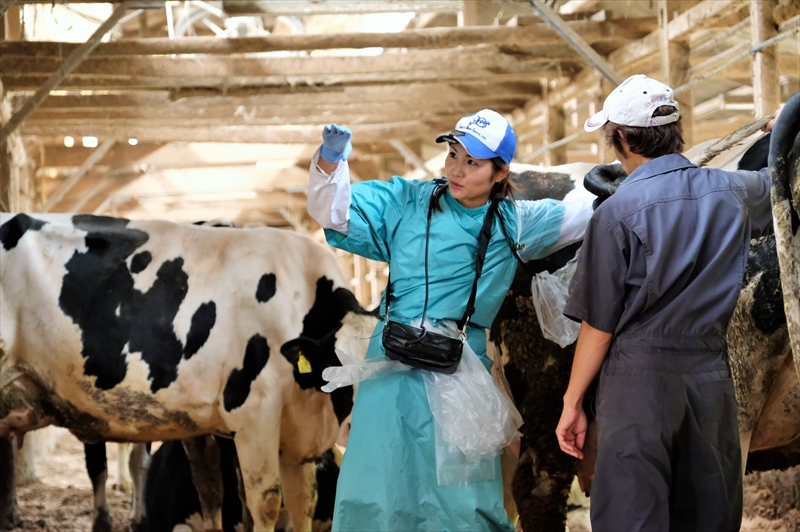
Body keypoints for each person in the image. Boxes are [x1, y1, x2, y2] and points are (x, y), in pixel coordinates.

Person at [308, 109, 594, 531]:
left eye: (473, 163)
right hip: (390, 362)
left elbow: (589, 214)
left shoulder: (514, 222)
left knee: (463, 499)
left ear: (500, 173)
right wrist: (330, 163)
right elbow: (335, 213)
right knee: (376, 485)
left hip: (459, 373)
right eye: (454, 155)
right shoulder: (407, 200)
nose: (457, 170)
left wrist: (632, 186)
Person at [555, 74, 779, 531]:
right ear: (676, 129)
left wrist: (573, 400)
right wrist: (782, 130)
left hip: (638, 384)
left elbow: (597, 326)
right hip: (711, 378)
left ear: (619, 138)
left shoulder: (616, 213)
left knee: (633, 515)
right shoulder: (736, 192)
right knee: (708, 514)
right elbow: (782, 181)